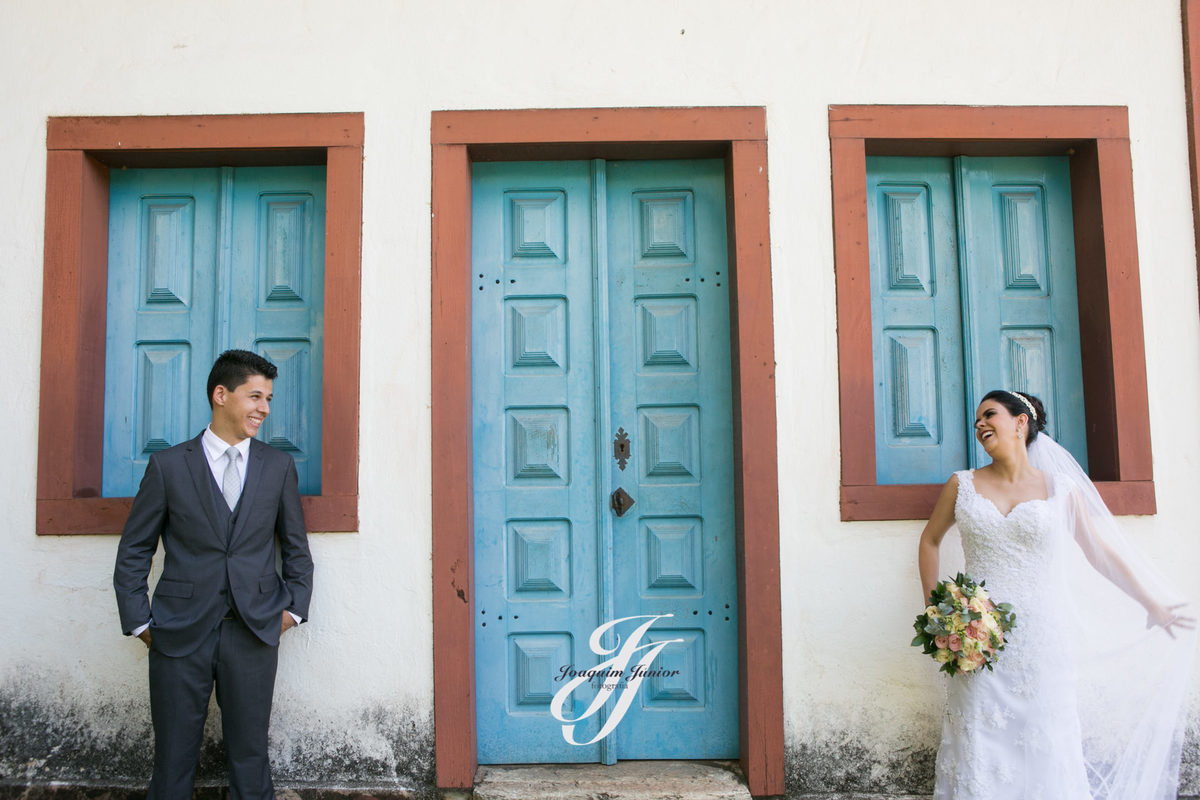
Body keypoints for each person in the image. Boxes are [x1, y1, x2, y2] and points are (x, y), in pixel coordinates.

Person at [917, 389, 1195, 799]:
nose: (980, 426)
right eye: (976, 422)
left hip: (1043, 639)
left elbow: (1100, 553)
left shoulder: (1062, 489)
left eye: (989, 415)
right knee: (980, 738)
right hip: (977, 639)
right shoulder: (962, 485)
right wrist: (937, 615)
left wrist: (1151, 603)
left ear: (1020, 421)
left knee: (1044, 739)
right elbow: (929, 541)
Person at [113, 349, 314, 800]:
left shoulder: (277, 467)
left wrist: (293, 612)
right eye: (255, 396)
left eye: (269, 398)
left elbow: (297, 550)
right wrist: (141, 623)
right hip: (178, 630)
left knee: (250, 757)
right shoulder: (168, 466)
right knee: (173, 760)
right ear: (221, 395)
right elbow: (134, 550)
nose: (264, 408)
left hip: (254, 630)